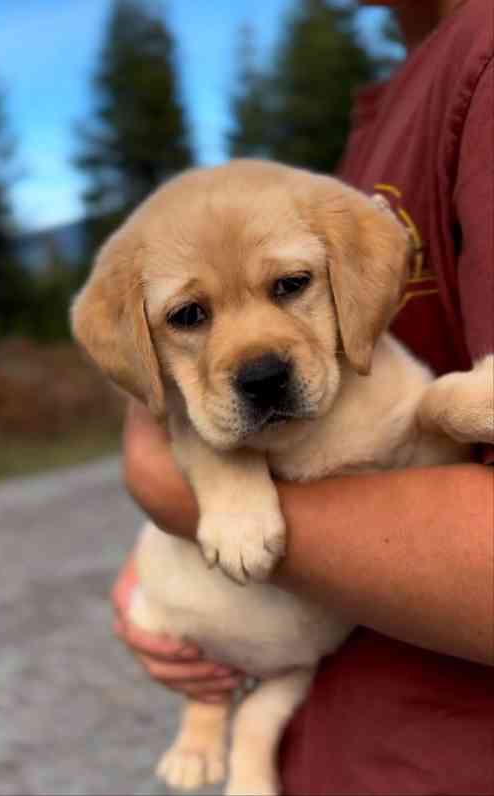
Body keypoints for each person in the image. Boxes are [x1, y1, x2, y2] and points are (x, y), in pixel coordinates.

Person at [112, 0, 494, 793]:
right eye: (190, 315)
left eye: (290, 287)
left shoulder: (482, 67)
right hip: (339, 735)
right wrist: (180, 554)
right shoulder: (390, 107)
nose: (256, 359)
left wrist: (170, 493)